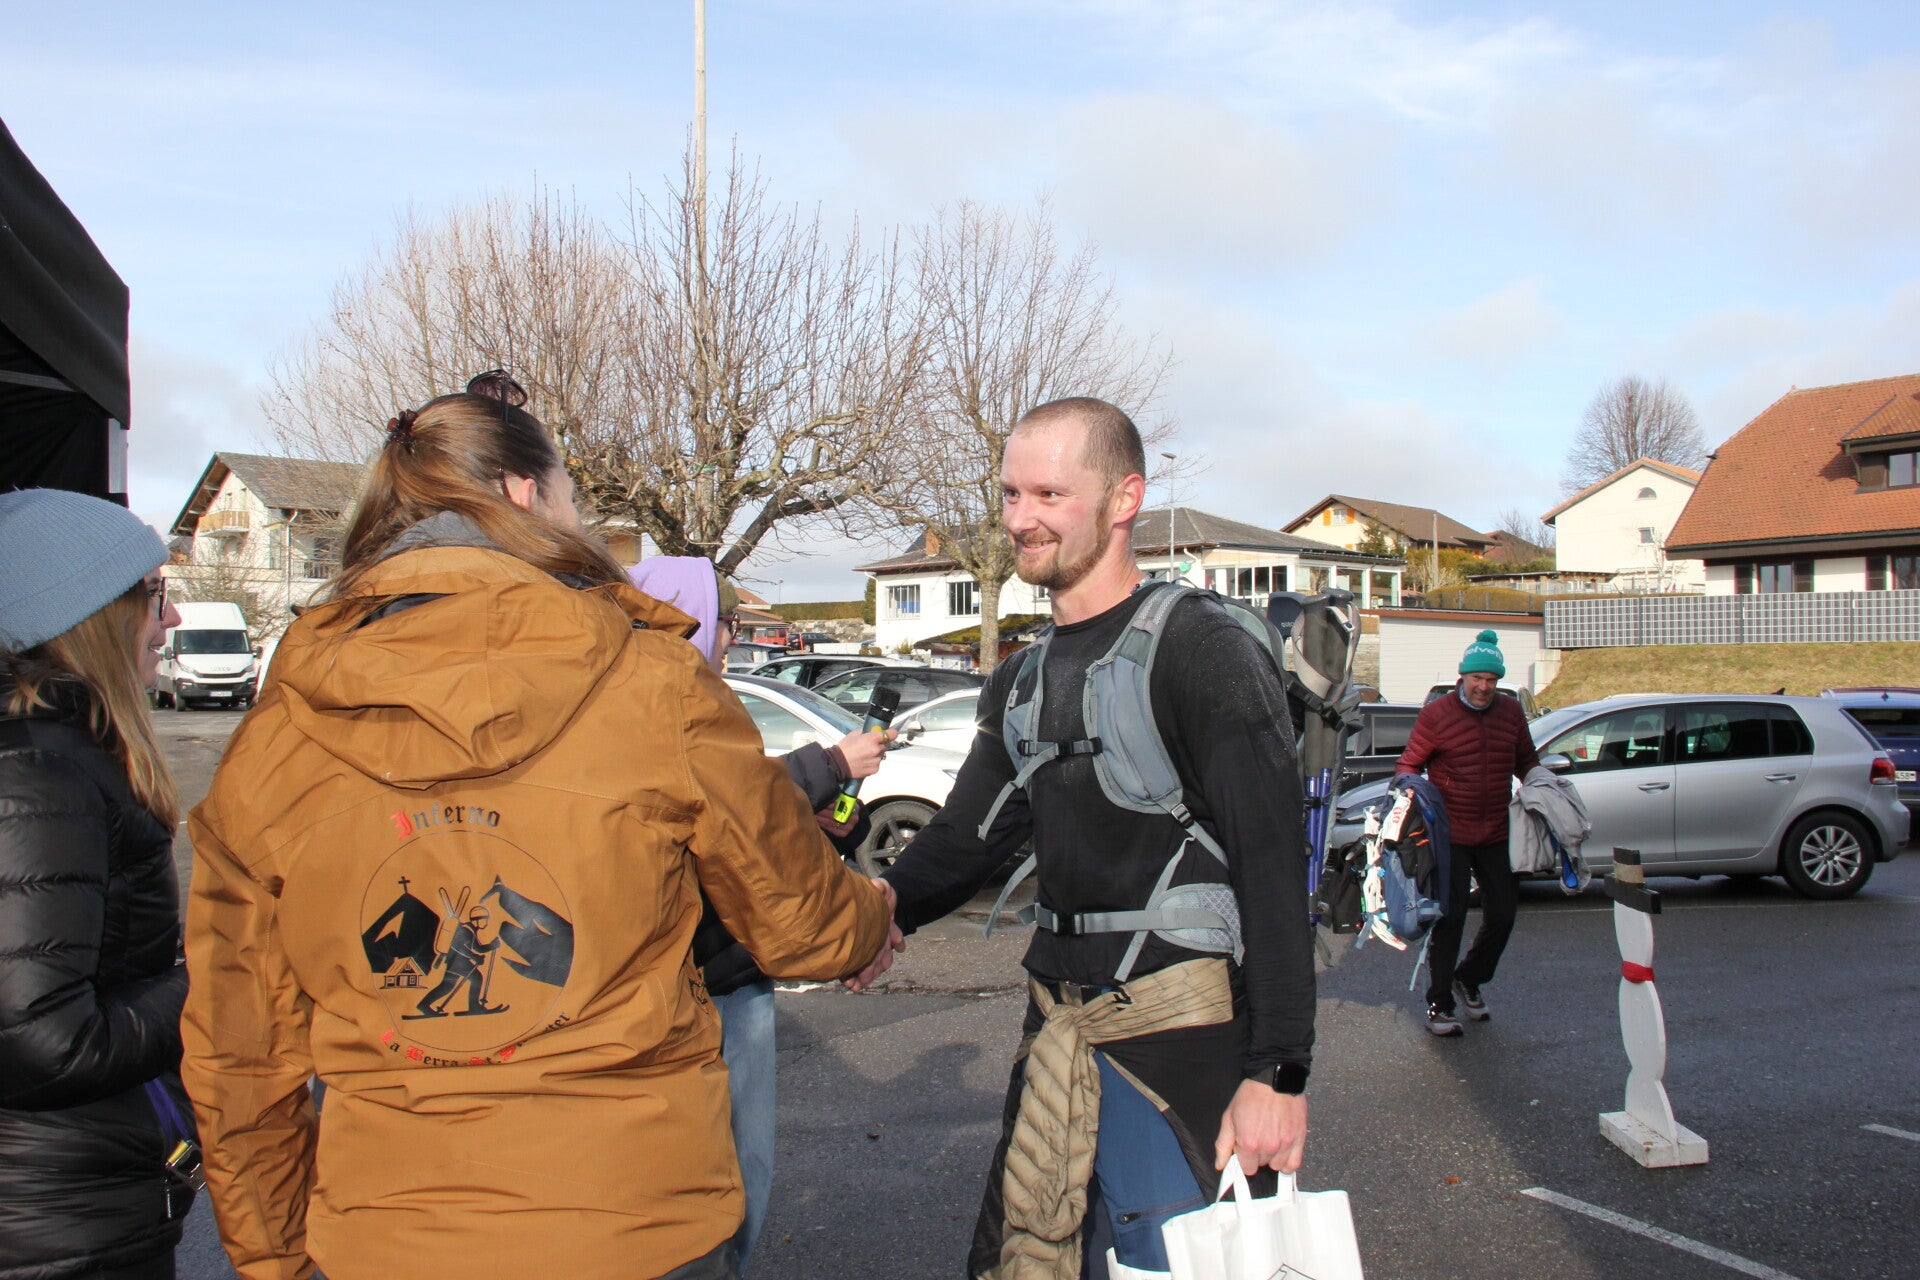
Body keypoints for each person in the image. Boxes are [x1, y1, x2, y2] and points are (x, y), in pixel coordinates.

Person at [180, 387, 895, 1280]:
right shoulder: (654, 682)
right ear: (523, 493)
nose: (581, 522)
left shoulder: (276, 734)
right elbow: (804, 926)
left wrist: (276, 1254)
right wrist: (873, 916)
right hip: (631, 1226)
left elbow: (240, 1054)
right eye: (572, 497)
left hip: (386, 1236)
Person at [864, 397, 1314, 1279]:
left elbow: (1272, 865)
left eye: (1049, 495)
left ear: (1124, 499)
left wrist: (1278, 1076)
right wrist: (873, 910)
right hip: (1057, 1037)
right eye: (1010, 494)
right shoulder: (1021, 680)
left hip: (1184, 1046)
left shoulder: (1201, 650)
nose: (1019, 520)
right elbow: (964, 840)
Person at [627, 555, 894, 1274]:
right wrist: (872, 921)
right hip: (717, 980)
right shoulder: (671, 709)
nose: (729, 640)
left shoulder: (630, 704)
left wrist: (811, 825)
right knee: (733, 1174)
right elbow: (731, 809)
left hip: (684, 984)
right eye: (723, 623)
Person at [0, 489, 194, 1280]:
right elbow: (46, 1042)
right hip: (55, 1226)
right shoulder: (41, 778)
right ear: (89, 613)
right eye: (153, 594)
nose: (170, 618)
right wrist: (216, 975)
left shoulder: (57, 758)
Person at [1395, 630, 1539, 1037]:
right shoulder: (1437, 714)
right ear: (1463, 676)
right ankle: (1439, 1005)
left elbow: (1527, 760)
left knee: (1504, 914)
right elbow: (1409, 764)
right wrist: (1410, 796)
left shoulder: (1510, 712)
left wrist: (1545, 785)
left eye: (1491, 680)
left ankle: (1470, 977)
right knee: (1451, 917)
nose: (1484, 687)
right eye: (1477, 678)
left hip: (1497, 830)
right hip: (1450, 833)